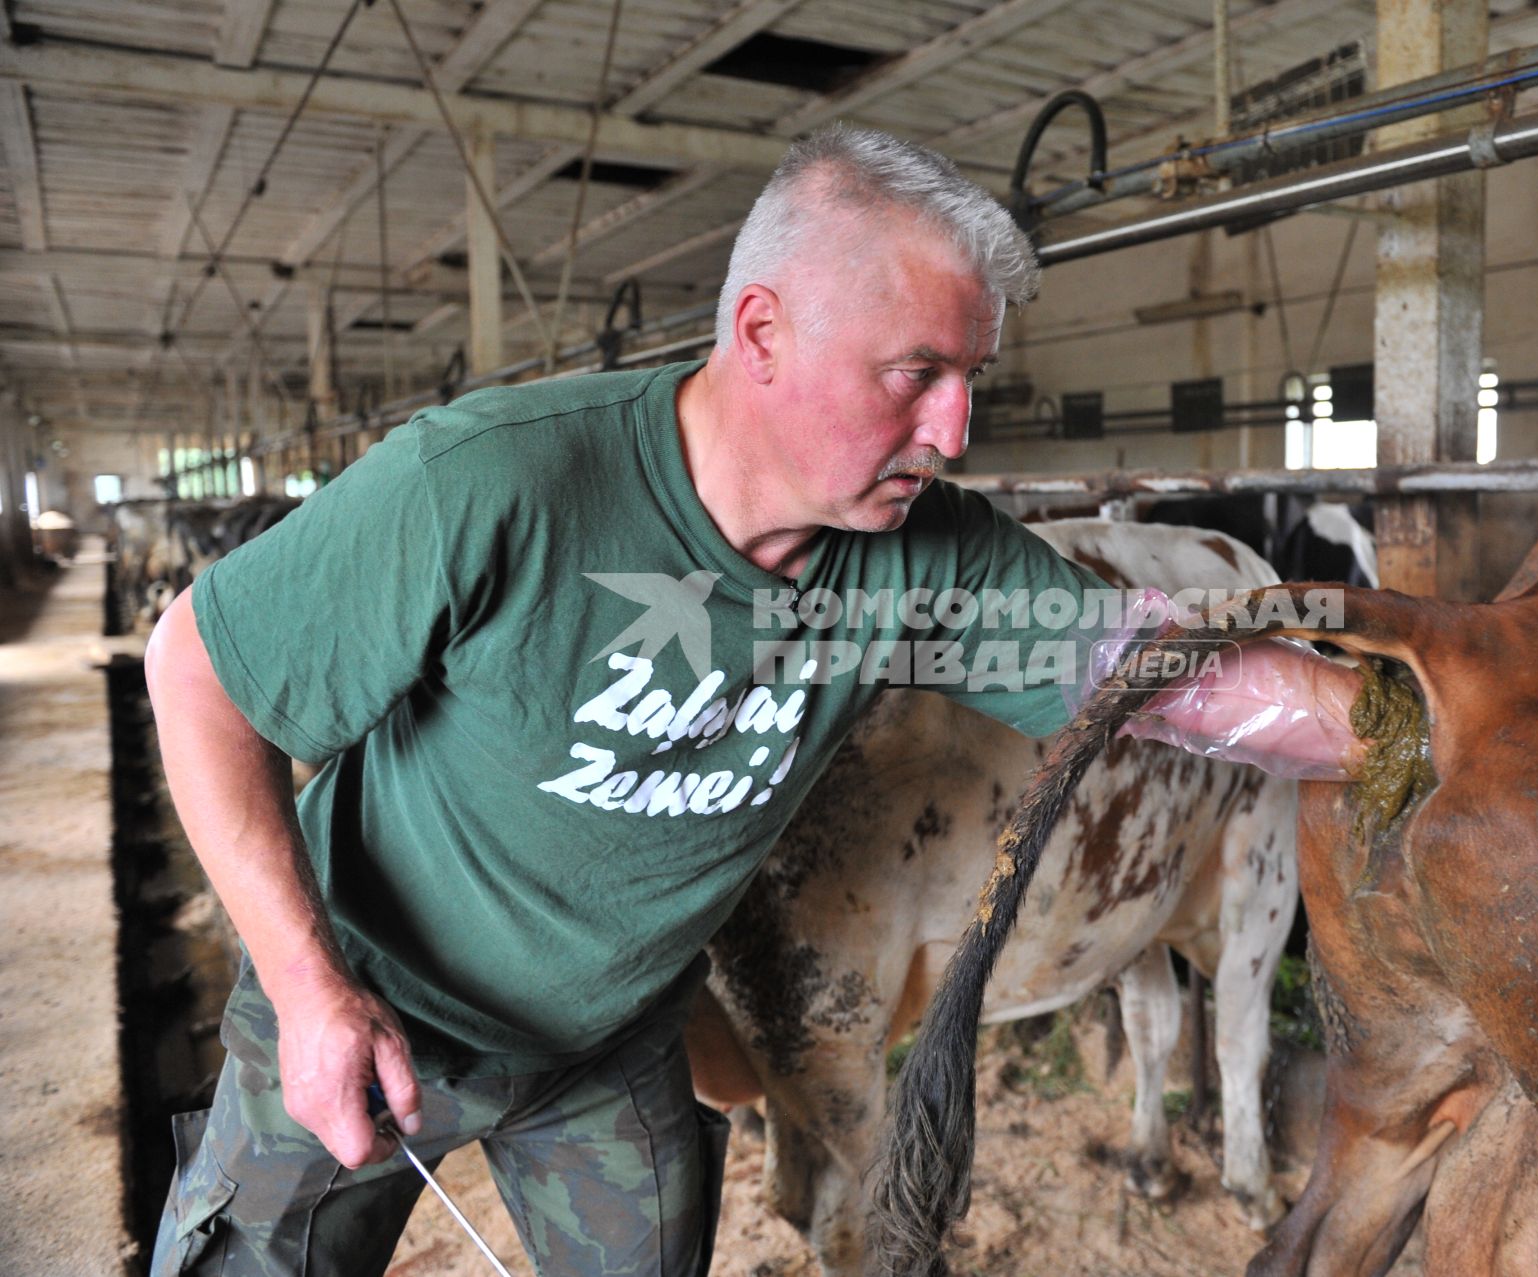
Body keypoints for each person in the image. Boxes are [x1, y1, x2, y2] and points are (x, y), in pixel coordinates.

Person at [143, 124, 1361, 1276]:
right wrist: (307, 992)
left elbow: (1170, 680)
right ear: (762, 331)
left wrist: (1424, 724)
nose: (956, 427)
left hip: (602, 1042)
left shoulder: (922, 554)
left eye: (971, 375)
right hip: (374, 992)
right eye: (917, 372)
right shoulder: (493, 482)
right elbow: (197, 671)